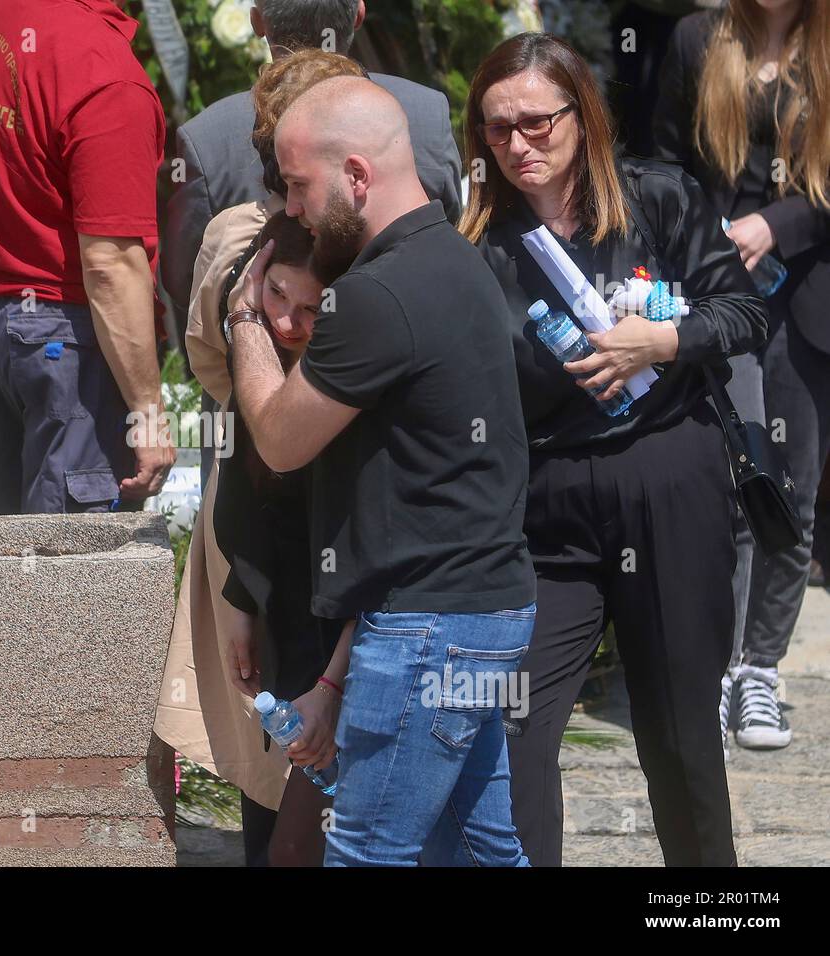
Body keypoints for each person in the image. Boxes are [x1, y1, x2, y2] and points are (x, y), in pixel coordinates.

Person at [463, 32, 768, 866]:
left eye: (537, 123)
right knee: (513, 724)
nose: (518, 145)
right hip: (545, 498)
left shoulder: (658, 199)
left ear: (583, 116)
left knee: (677, 734)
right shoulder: (480, 244)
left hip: (667, 475)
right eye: (497, 130)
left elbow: (745, 315)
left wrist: (660, 341)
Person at [228, 75, 538, 866]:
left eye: (299, 185)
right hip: (484, 613)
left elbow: (279, 439)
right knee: (479, 851)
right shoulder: (454, 260)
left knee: (367, 851)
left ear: (357, 176)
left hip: (428, 626)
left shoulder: (372, 296)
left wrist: (245, 329)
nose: (291, 208)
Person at [153, 50, 368, 868]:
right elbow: (211, 365)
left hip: (346, 522)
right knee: (269, 723)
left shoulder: (371, 248)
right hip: (258, 505)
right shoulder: (244, 237)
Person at [162, 0, 462, 486]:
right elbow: (440, 236)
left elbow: (186, 285)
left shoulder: (208, 136)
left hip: (253, 435)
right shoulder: (424, 111)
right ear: (360, 13)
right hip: (395, 433)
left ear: (257, 18)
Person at [653, 0, 830, 754]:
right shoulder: (699, 37)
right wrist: (698, 239)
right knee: (733, 484)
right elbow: (660, 163)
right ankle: (717, 666)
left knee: (791, 491)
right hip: (718, 295)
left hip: (809, 301)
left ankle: (762, 668)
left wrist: (777, 224)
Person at [0, 0, 174, 515]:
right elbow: (110, 265)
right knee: (73, 574)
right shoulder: (106, 76)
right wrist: (148, 413)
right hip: (63, 342)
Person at [214, 211, 348, 866]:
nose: (289, 323)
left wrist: (332, 682)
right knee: (272, 802)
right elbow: (242, 499)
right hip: (281, 608)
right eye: (276, 297)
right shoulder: (257, 359)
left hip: (343, 626)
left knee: (313, 825)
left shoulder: (348, 379)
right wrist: (241, 603)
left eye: (311, 308)